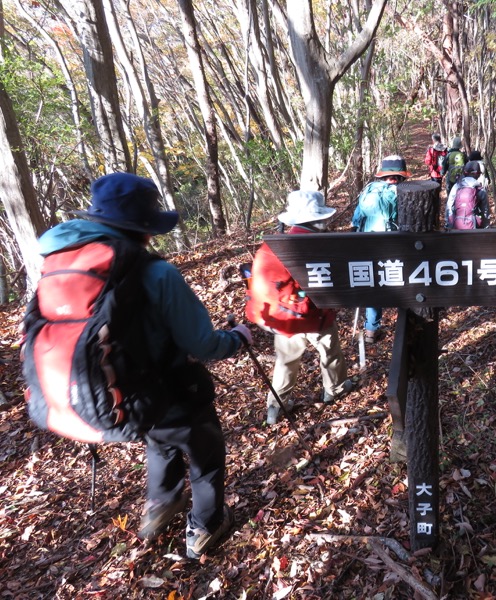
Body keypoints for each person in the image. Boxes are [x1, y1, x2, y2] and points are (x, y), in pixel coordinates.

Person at [38, 172, 252, 559]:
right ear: (144, 226)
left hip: (126, 394)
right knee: (205, 457)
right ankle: (206, 526)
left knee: (160, 443)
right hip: (176, 389)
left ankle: (158, 510)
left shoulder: (65, 265)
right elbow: (202, 343)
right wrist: (237, 338)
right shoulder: (157, 272)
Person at [246, 190, 355, 425]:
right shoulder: (312, 245)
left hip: (277, 315)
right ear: (317, 219)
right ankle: (334, 389)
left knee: (286, 361)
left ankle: (276, 407)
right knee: (329, 350)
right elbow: (326, 284)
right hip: (307, 315)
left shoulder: (272, 245)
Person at [351, 155, 410, 343]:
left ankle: (371, 329)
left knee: (373, 285)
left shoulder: (369, 189)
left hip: (366, 245)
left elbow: (356, 219)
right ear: (400, 176)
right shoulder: (399, 192)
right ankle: (408, 320)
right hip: (391, 246)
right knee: (404, 279)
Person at [445, 160, 491, 230]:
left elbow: (449, 206)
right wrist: (486, 227)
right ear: (478, 174)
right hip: (474, 227)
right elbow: (485, 211)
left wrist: (449, 225)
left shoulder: (457, 186)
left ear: (464, 173)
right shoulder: (480, 190)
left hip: (456, 226)